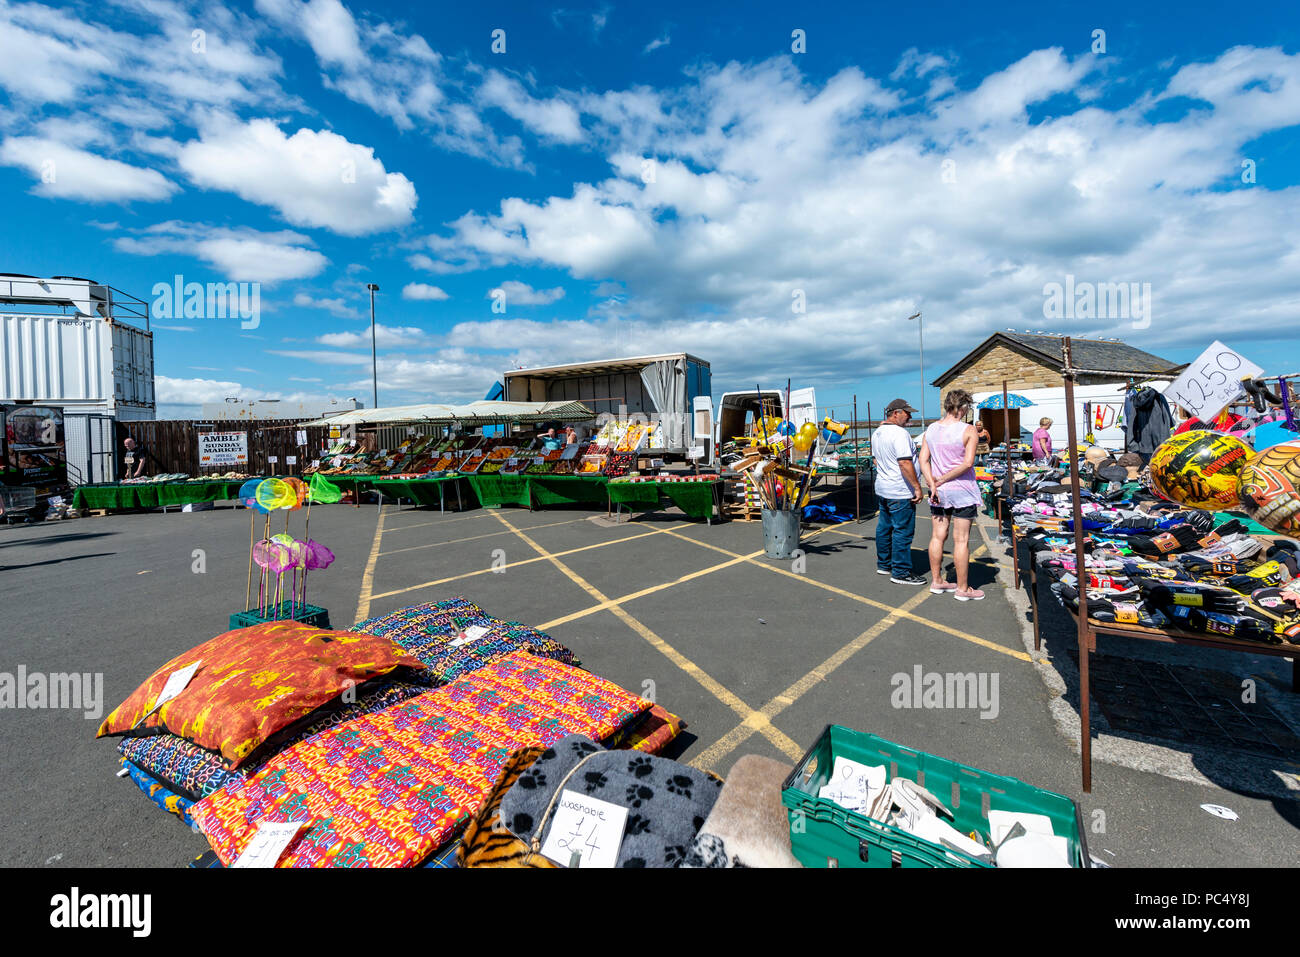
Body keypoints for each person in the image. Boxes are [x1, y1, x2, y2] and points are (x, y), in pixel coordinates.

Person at [919, 390, 984, 601]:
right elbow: (967, 463)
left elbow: (923, 460)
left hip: (939, 492)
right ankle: (963, 589)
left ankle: (937, 581)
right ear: (963, 407)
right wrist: (942, 480)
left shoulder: (932, 428)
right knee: (961, 540)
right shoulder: (969, 429)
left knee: (938, 536)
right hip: (962, 491)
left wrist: (932, 483)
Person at [871, 399, 925, 585]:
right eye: (907, 413)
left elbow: (876, 460)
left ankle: (884, 564)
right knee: (902, 531)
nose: (910, 416)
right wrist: (917, 487)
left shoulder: (877, 432)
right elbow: (904, 462)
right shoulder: (900, 434)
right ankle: (901, 572)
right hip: (899, 490)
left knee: (884, 527)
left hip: (884, 487)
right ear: (896, 413)